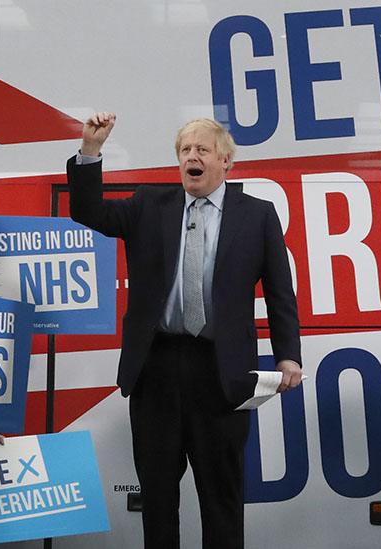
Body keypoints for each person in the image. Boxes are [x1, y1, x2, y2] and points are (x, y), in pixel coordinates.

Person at [67, 113, 302, 548]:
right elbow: (88, 211)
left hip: (222, 375)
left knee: (222, 500)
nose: (191, 157)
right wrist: (91, 151)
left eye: (202, 150)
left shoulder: (258, 216)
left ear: (226, 161)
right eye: (184, 151)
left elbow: (279, 291)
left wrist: (288, 354)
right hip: (156, 369)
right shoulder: (149, 205)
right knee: (156, 500)